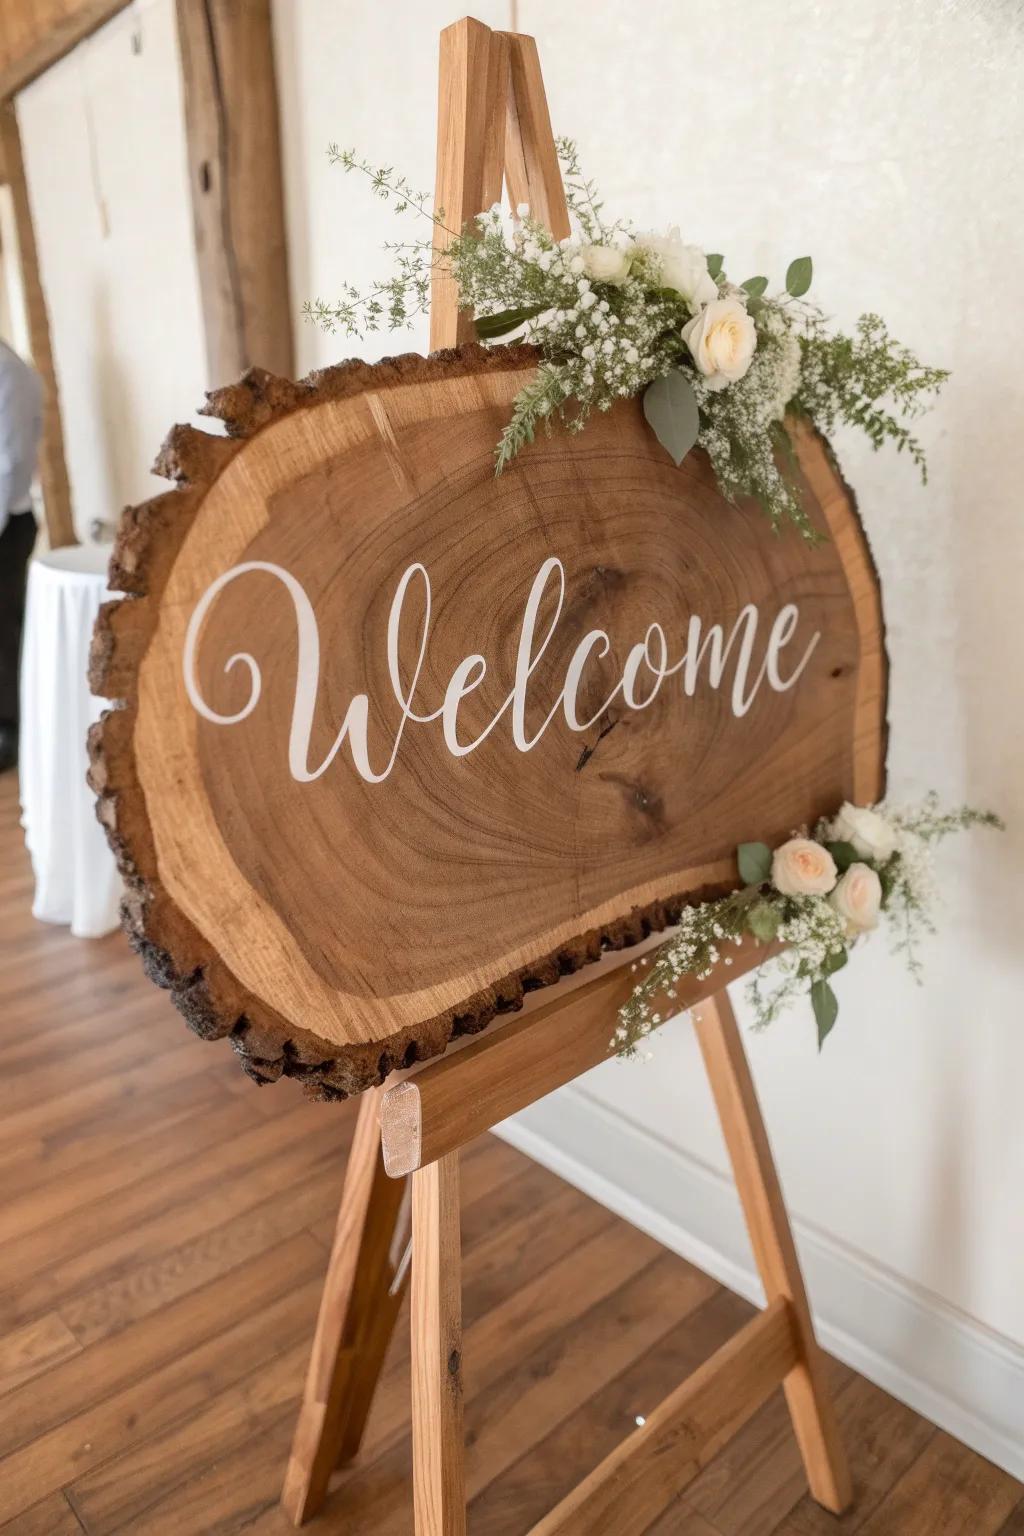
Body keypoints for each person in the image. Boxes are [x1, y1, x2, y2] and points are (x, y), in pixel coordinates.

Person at [0, 339, 43, 774]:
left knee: (4, 629)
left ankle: (9, 731)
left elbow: (11, 465)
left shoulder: (8, 373)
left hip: (8, 524)